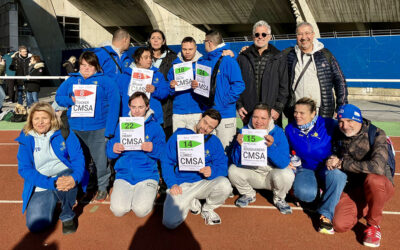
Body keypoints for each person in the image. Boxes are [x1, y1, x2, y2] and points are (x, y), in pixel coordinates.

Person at [55, 51, 120, 201]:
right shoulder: (72, 81)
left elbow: (114, 106)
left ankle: (103, 186)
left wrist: (109, 131)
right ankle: (83, 184)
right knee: (79, 160)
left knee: (101, 161)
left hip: (98, 128)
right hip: (75, 129)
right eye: (83, 65)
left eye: (90, 65)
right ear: (79, 66)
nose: (86, 68)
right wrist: (70, 100)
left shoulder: (106, 81)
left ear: (96, 66)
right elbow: (59, 97)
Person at [329, 104, 395, 247]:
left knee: (374, 180)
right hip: (355, 189)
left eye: (349, 121)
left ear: (358, 120)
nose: (344, 125)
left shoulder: (377, 134)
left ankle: (373, 225)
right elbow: (334, 153)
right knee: (339, 224)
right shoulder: (338, 134)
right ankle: (369, 206)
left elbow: (377, 167)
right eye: (341, 121)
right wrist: (331, 159)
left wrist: (342, 163)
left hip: (380, 184)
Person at [15, 102, 87, 234]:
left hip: (64, 174)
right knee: (36, 225)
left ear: (51, 119)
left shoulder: (64, 132)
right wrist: (52, 183)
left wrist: (74, 178)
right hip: (42, 182)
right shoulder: (26, 137)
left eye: (44, 118)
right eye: (36, 118)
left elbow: (78, 158)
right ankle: (55, 198)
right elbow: (24, 169)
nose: (40, 122)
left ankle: (67, 214)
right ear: (31, 120)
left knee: (68, 178)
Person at [285, 97, 347, 234]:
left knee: (338, 176)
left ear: (313, 113)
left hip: (326, 166)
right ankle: (319, 192)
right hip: (305, 168)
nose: (297, 116)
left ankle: (326, 215)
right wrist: (287, 159)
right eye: (296, 112)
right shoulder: (290, 129)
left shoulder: (328, 124)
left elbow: (346, 138)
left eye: (302, 113)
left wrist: (338, 157)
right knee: (305, 194)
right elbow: (286, 150)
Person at [162, 109, 232, 229]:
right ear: (200, 116)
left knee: (225, 185)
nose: (205, 128)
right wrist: (172, 184)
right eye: (205, 122)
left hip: (202, 183)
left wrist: (212, 170)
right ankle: (190, 200)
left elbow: (223, 166)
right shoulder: (180, 135)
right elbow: (166, 161)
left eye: (210, 127)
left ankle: (207, 208)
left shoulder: (214, 141)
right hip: (181, 184)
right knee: (169, 222)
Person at [107, 92, 165, 217]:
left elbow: (164, 153)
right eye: (133, 107)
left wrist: (153, 148)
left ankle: (154, 188)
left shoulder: (155, 127)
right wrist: (113, 148)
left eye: (141, 107)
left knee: (140, 211)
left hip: (147, 175)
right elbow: (110, 152)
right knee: (118, 211)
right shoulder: (121, 125)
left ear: (147, 107)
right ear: (129, 106)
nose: (137, 111)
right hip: (124, 175)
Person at [229, 103, 295, 214]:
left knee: (287, 174)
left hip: (271, 175)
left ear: (269, 119)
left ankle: (279, 199)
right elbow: (236, 161)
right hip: (253, 173)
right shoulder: (244, 131)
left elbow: (283, 163)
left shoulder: (278, 132)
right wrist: (239, 146)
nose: (258, 121)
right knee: (232, 170)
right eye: (255, 117)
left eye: (263, 118)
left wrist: (270, 148)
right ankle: (248, 194)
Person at [284, 22, 348, 121]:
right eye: (300, 34)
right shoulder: (289, 55)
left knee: (321, 136)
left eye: (307, 33)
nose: (304, 37)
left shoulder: (326, 55)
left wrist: (341, 106)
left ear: (313, 34)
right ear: (296, 36)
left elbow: (340, 81)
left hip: (321, 112)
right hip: (297, 113)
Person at [195, 30, 245, 150]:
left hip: (225, 114)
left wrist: (224, 102)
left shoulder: (228, 60)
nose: (204, 44)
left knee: (225, 150)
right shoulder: (204, 61)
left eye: (204, 42)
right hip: (208, 115)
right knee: (207, 150)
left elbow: (239, 85)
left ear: (210, 42)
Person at [237, 20, 288, 126]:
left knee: (272, 141)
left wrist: (278, 108)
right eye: (257, 34)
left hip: (271, 113)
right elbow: (236, 84)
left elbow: (284, 86)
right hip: (249, 112)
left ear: (269, 37)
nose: (260, 37)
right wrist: (239, 105)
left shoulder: (279, 57)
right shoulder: (242, 57)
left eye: (264, 34)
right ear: (252, 36)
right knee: (250, 142)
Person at [117, 47, 169, 124]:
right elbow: (117, 97)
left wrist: (155, 90)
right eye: (146, 57)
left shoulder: (158, 75)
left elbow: (165, 93)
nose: (149, 60)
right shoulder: (124, 76)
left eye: (150, 57)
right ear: (137, 59)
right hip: (130, 118)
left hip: (153, 119)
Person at [167, 36, 204, 132]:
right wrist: (171, 86)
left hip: (197, 111)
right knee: (178, 142)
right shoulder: (174, 66)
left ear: (196, 48)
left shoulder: (203, 63)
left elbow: (208, 87)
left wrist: (198, 85)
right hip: (178, 112)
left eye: (190, 49)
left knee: (196, 143)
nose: (187, 52)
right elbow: (169, 92)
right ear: (181, 49)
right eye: (184, 49)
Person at [148, 29, 177, 138]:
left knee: (165, 137)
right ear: (149, 40)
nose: (155, 40)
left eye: (159, 38)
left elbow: (186, 62)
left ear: (163, 41)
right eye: (153, 38)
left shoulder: (172, 58)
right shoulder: (143, 56)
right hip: (148, 103)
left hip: (166, 105)